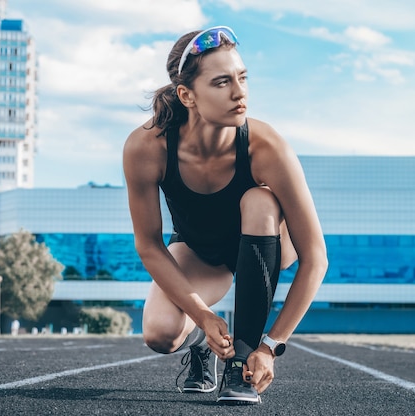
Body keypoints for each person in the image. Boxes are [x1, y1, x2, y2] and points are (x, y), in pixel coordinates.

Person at [123, 25, 328, 405]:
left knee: (260, 201)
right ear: (187, 95)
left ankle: (240, 366)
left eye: (243, 77)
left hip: (269, 245)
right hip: (201, 251)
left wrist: (269, 346)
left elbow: (316, 259)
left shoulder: (267, 147)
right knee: (161, 333)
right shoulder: (146, 147)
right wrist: (203, 317)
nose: (240, 93)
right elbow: (149, 245)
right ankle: (203, 348)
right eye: (221, 82)